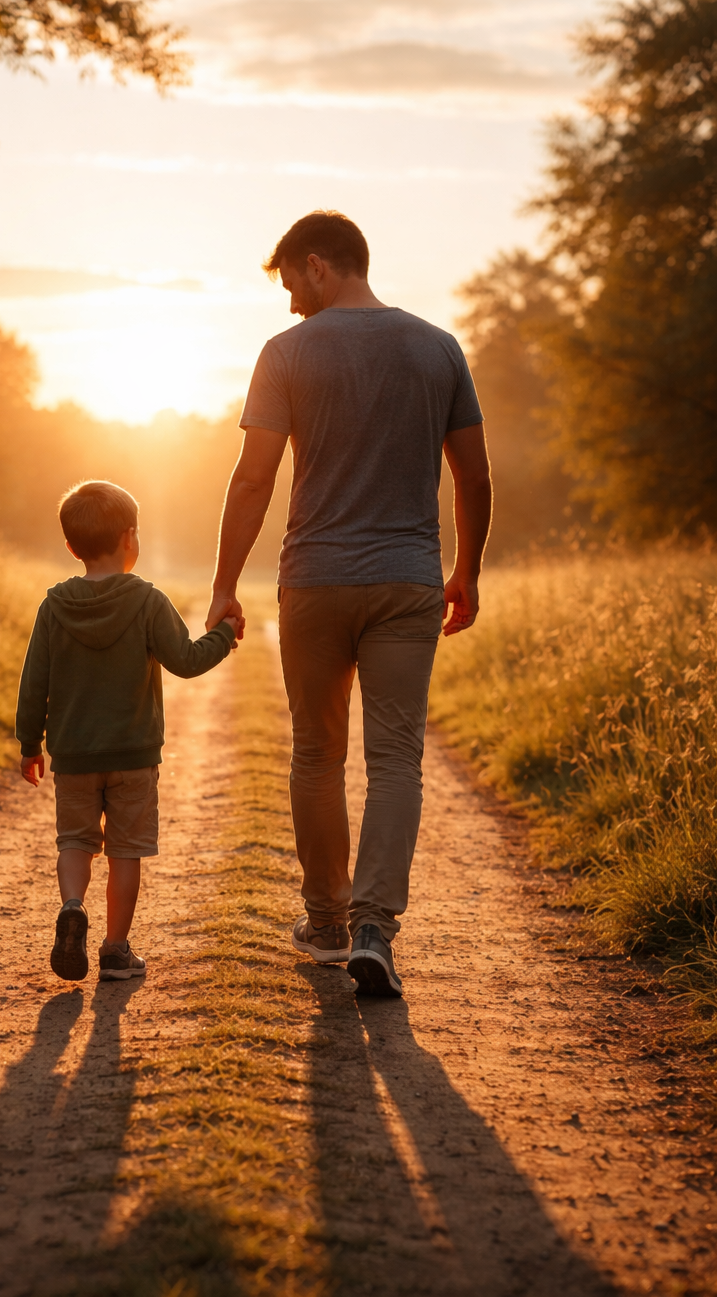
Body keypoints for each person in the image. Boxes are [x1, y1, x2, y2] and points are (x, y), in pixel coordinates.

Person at [206, 210, 492, 998]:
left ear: (320, 264)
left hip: (316, 581)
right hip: (408, 579)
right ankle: (375, 927)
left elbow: (253, 479)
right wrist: (466, 567)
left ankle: (328, 922)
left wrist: (226, 584)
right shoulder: (439, 348)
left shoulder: (287, 354)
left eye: (293, 281)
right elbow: (472, 474)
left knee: (317, 752)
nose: (291, 301)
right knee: (396, 755)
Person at [17, 480, 239, 983]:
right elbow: (185, 660)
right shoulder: (146, 600)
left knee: (74, 841)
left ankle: (73, 905)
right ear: (130, 538)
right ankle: (115, 949)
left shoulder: (54, 607)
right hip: (134, 755)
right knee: (124, 850)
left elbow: (34, 683)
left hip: (73, 754)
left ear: (72, 547)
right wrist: (225, 634)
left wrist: (30, 743)